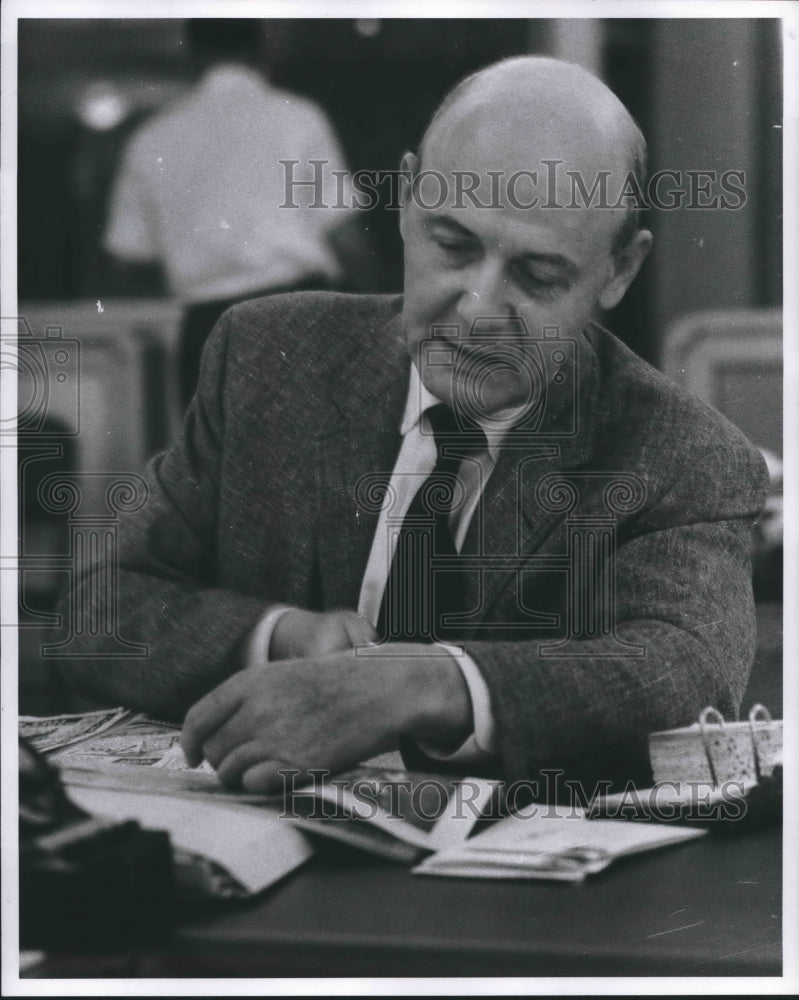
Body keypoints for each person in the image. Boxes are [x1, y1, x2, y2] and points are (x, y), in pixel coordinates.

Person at [59, 56, 767, 797]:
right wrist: (278, 637)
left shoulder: (681, 453)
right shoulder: (264, 357)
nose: (477, 308)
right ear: (403, 199)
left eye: (538, 276)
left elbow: (684, 669)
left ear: (619, 271)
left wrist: (421, 686)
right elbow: (98, 608)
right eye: (452, 245)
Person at [103, 18, 372, 406]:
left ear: (192, 54)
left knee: (220, 463)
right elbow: (344, 234)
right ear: (261, 48)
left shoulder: (151, 139)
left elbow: (125, 259)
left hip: (204, 331)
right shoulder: (295, 117)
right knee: (313, 457)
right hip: (297, 316)